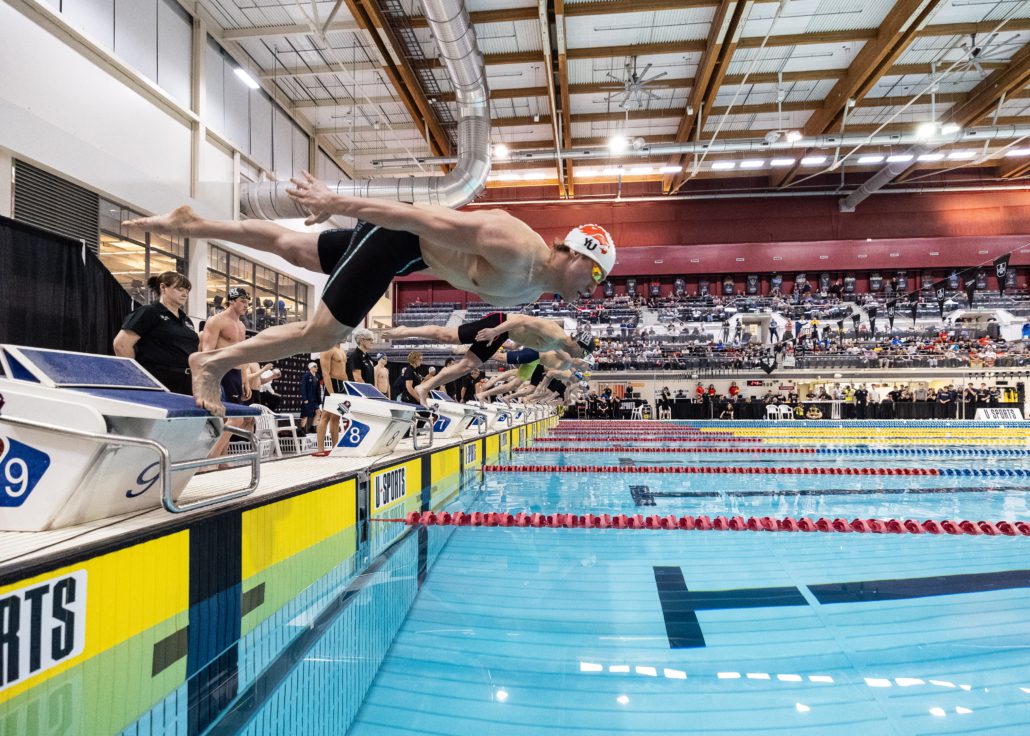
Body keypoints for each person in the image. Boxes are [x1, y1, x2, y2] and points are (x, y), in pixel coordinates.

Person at [124, 187, 616, 416]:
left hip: (405, 258)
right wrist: (338, 201)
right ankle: (211, 363)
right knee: (324, 333)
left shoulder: (533, 288)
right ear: (574, 252)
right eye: (595, 274)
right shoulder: (512, 242)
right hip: (395, 236)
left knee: (293, 247)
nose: (593, 288)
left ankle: (194, 224)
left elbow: (513, 318)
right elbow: (413, 213)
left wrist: (498, 330)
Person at [381, 312, 594, 405]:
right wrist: (494, 332)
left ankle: (425, 388)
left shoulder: (560, 347)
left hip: (504, 334)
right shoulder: (555, 333)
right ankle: (404, 331)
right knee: (448, 336)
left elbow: (529, 337)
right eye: (584, 353)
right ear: (579, 344)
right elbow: (520, 319)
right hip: (498, 324)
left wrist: (514, 344)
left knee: (466, 366)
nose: (581, 358)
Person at [112, 272, 196, 394]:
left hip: (186, 382)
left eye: (187, 290)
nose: (185, 294)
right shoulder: (149, 312)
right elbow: (121, 344)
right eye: (180, 289)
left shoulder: (186, 320)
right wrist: (136, 377)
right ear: (163, 288)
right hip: (159, 380)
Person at [199, 286, 251, 462]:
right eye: (243, 302)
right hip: (221, 373)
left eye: (247, 302)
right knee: (235, 419)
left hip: (236, 375)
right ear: (231, 301)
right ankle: (210, 460)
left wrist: (245, 381)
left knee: (231, 419)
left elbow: (242, 354)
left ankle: (223, 458)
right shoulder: (216, 321)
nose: (246, 306)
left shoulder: (242, 326)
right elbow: (207, 352)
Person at [314, 343, 347, 457]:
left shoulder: (341, 350)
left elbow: (344, 371)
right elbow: (325, 373)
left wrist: (348, 386)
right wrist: (331, 393)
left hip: (342, 385)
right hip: (332, 384)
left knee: (337, 417)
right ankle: (320, 449)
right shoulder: (327, 348)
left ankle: (335, 447)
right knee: (325, 416)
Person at [298, 361, 321, 434]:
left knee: (318, 413)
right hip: (308, 399)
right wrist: (304, 398)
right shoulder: (306, 376)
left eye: (317, 366)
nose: (317, 368)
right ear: (311, 368)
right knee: (305, 414)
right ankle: (302, 429)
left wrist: (319, 399)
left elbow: (318, 389)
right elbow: (303, 387)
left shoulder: (317, 376)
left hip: (315, 399)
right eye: (315, 366)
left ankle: (312, 427)